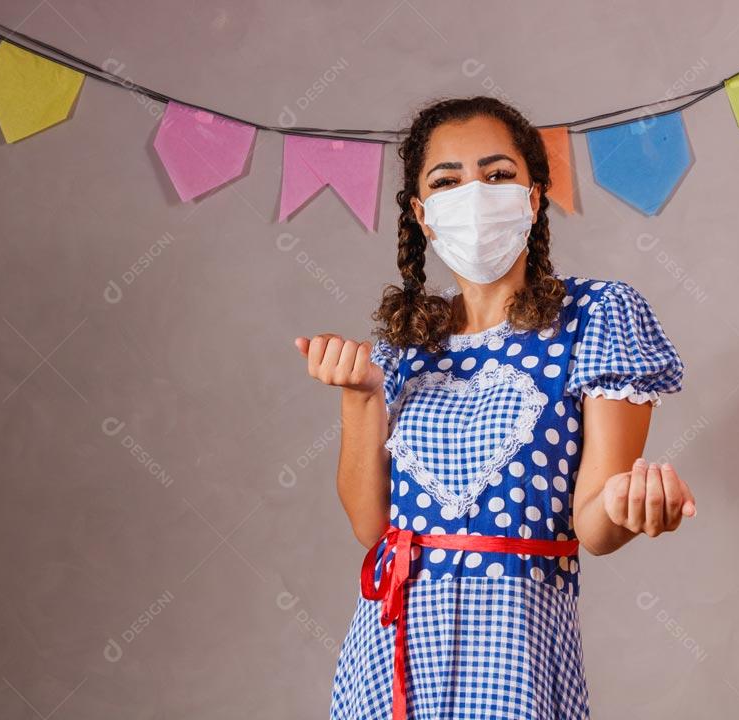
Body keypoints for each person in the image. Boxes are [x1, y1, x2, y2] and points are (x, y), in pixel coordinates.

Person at [294, 95, 696, 720]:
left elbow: (593, 527)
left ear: (533, 197)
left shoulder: (596, 318)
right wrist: (361, 395)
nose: (475, 193)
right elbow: (371, 528)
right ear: (424, 216)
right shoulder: (402, 348)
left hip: (517, 655)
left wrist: (628, 507)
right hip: (392, 650)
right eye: (448, 181)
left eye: (498, 174)